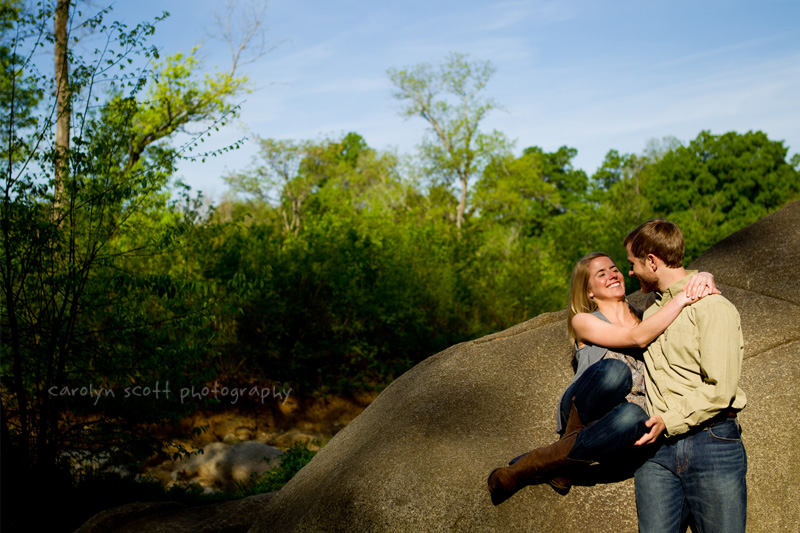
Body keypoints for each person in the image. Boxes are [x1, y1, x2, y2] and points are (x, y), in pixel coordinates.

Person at [487, 252, 717, 506]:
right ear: (588, 292)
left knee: (636, 416)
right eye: (601, 274)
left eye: (614, 268)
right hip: (586, 404)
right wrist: (685, 296)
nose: (612, 275)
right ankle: (544, 459)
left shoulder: (649, 316)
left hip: (621, 424)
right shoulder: (583, 321)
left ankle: (550, 463)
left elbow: (672, 288)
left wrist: (702, 277)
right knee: (616, 373)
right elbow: (637, 338)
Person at [625, 220, 747, 533]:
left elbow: (720, 389)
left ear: (652, 261)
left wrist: (668, 419)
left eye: (633, 264)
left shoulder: (713, 306)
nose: (630, 272)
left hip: (712, 443)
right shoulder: (652, 312)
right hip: (656, 453)